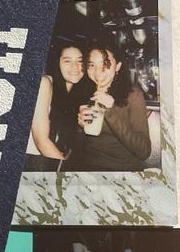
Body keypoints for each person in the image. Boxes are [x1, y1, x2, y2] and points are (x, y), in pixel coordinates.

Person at [71, 41, 151, 172]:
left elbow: (144, 151)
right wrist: (80, 127)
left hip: (122, 170)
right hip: (89, 168)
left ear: (118, 66)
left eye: (105, 64)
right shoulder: (85, 93)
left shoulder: (133, 95)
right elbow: (77, 148)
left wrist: (110, 111)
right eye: (92, 65)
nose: (98, 72)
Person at [25, 44, 89, 170]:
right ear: (57, 63)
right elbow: (41, 140)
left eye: (80, 61)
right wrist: (64, 171)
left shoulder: (76, 95)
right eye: (67, 61)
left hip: (50, 161)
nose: (75, 66)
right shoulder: (44, 83)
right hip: (33, 163)